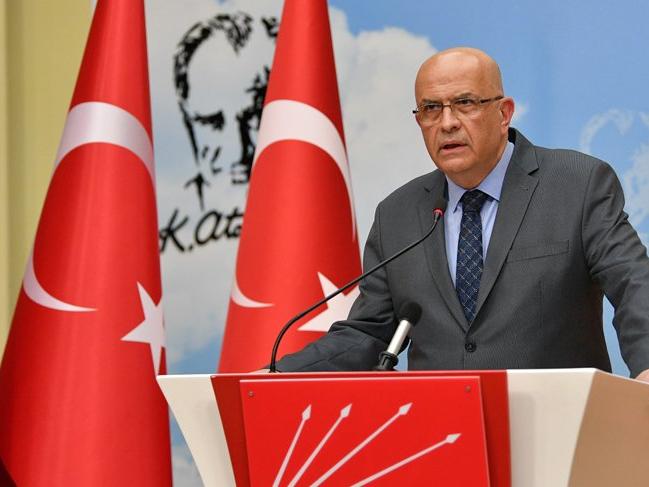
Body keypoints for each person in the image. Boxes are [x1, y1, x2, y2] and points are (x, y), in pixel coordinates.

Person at [270, 47, 649, 382]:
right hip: (442, 429)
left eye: (465, 103)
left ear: (504, 113)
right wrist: (276, 376)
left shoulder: (576, 184)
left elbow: (634, 283)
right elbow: (368, 333)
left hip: (558, 426)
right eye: (431, 108)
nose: (447, 122)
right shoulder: (398, 214)